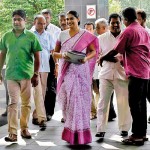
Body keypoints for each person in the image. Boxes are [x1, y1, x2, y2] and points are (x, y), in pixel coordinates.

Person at [99, 7, 150, 146]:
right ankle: (143, 133)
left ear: (126, 20)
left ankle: (136, 135)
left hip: (136, 72)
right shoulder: (143, 30)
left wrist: (102, 57)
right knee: (142, 104)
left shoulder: (129, 31)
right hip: (145, 71)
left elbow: (116, 49)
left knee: (134, 104)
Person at [53, 10, 99, 145]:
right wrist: (63, 55)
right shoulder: (62, 34)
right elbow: (54, 53)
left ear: (78, 19)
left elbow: (93, 51)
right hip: (66, 72)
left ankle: (81, 135)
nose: (68, 22)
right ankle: (71, 134)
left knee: (79, 102)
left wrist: (86, 58)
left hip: (81, 72)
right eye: (67, 19)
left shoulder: (86, 35)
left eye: (71, 19)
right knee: (68, 102)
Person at [0, 9, 42, 142]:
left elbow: (37, 56)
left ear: (25, 20)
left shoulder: (31, 36)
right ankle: (12, 132)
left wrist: (35, 74)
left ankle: (24, 128)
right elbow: (2, 55)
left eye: (19, 19)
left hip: (26, 75)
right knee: (13, 103)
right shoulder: (6, 36)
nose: (16, 22)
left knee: (26, 104)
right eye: (14, 19)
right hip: (11, 74)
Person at [96, 13, 131, 141]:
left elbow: (128, 54)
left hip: (122, 74)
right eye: (113, 23)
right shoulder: (101, 38)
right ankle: (100, 130)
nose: (115, 25)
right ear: (108, 24)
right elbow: (96, 56)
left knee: (123, 103)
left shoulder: (126, 36)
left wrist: (112, 57)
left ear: (121, 23)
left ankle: (124, 129)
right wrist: (105, 57)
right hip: (105, 74)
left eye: (117, 22)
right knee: (102, 103)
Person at [31, 15, 55, 129]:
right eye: (40, 23)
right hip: (33, 68)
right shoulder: (30, 35)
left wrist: (57, 65)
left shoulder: (49, 35)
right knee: (37, 91)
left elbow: (52, 51)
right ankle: (41, 118)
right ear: (34, 23)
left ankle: (36, 115)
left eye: (44, 23)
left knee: (43, 92)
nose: (42, 25)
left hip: (45, 67)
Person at [41, 9, 61, 121]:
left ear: (50, 18)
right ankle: (41, 112)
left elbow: (56, 49)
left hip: (52, 60)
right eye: (43, 17)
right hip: (40, 62)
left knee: (51, 87)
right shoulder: (34, 29)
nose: (45, 20)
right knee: (41, 88)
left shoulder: (56, 30)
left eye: (47, 17)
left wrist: (57, 64)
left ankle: (49, 112)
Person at [95, 18, 117, 121]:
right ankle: (109, 114)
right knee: (104, 97)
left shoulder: (116, 37)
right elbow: (97, 55)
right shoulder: (100, 38)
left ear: (104, 27)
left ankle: (111, 113)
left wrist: (103, 57)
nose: (96, 30)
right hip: (103, 71)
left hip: (116, 71)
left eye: (97, 28)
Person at [136, 9, 150, 123]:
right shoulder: (133, 31)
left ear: (144, 20)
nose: (135, 21)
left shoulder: (148, 32)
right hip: (139, 70)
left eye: (138, 19)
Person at [84, 22, 100, 120]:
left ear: (93, 30)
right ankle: (93, 112)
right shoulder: (82, 41)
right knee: (89, 92)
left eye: (90, 28)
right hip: (86, 70)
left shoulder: (97, 40)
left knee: (98, 91)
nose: (88, 30)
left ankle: (98, 110)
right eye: (86, 28)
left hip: (97, 69)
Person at [58, 12, 69, 123]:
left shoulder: (76, 33)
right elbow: (55, 52)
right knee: (63, 92)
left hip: (74, 66)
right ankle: (64, 115)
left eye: (65, 19)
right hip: (62, 66)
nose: (63, 22)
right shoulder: (59, 33)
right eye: (61, 20)